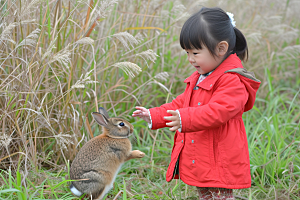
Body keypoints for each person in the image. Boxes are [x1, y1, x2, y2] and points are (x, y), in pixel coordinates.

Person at [132, 7, 261, 200]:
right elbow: (181, 103)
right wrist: (154, 115)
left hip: (220, 154)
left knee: (221, 195)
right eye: (187, 53)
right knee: (204, 193)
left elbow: (220, 111)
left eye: (195, 53)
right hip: (202, 153)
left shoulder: (232, 80)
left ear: (221, 48)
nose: (190, 59)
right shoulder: (200, 76)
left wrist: (185, 118)